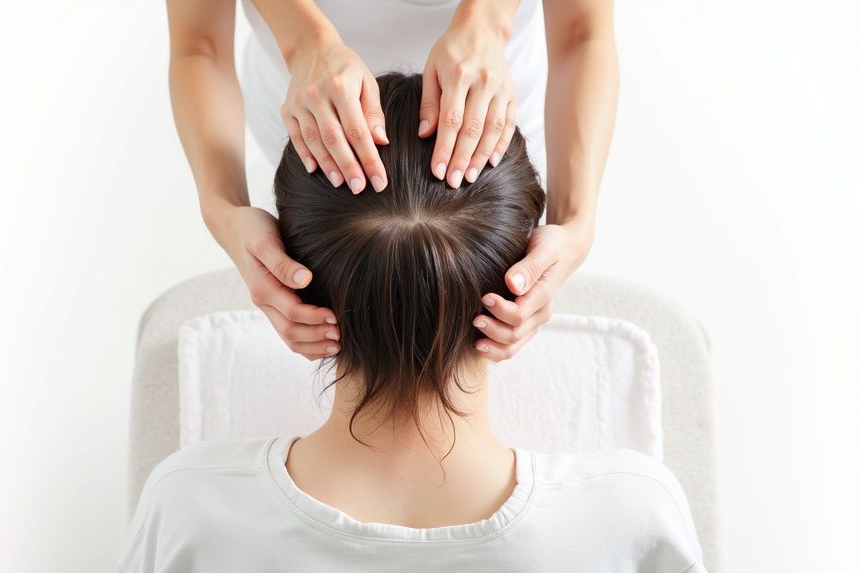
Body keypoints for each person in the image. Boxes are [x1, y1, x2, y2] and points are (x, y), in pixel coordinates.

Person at [116, 72, 709, 573]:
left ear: (292, 272)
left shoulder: (192, 507)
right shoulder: (628, 515)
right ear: (524, 273)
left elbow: (198, 45)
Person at [165, 0, 614, 363]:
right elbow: (199, 44)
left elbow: (582, 31)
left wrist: (575, 223)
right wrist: (225, 208)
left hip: (485, 147)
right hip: (319, 147)